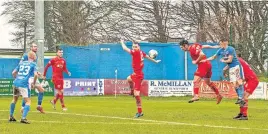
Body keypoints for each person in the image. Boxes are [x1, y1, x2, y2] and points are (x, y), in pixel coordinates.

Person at [120, 39, 161, 118]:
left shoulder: (136, 52)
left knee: (137, 94)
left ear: (139, 47)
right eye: (133, 47)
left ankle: (140, 112)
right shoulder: (141, 52)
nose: (134, 48)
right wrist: (155, 61)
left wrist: (121, 42)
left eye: (136, 47)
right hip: (135, 74)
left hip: (138, 76)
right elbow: (148, 57)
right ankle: (132, 91)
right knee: (128, 78)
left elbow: (124, 48)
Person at [206, 38, 244, 105]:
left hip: (235, 66)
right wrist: (205, 60)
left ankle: (241, 98)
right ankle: (241, 98)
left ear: (225, 42)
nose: (220, 44)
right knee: (235, 83)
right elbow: (213, 57)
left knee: (237, 82)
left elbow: (230, 60)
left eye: (221, 43)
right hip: (231, 67)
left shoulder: (230, 49)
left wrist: (223, 60)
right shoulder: (220, 50)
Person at [9, 51, 38, 124]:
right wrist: (33, 84)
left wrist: (17, 79)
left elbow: (13, 73)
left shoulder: (21, 63)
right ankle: (23, 118)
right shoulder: (33, 64)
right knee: (28, 101)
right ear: (34, 57)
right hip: (23, 84)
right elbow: (36, 75)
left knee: (14, 100)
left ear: (28, 56)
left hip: (16, 83)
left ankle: (11, 116)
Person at [229, 51, 259, 120]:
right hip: (249, 80)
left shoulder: (238, 61)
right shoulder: (240, 61)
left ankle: (244, 115)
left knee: (244, 97)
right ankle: (241, 113)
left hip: (252, 80)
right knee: (241, 96)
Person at [20, 42, 45, 113]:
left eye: (36, 46)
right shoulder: (25, 55)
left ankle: (39, 106)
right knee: (27, 93)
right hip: (27, 77)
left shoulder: (35, 56)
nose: (36, 48)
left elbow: (33, 68)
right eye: (34, 46)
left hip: (33, 76)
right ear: (31, 48)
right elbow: (20, 64)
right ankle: (22, 107)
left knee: (41, 90)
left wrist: (38, 73)